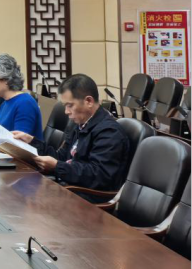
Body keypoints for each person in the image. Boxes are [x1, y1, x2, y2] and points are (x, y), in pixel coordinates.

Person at [12, 74, 130, 202]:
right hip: (69, 188)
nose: (66, 111)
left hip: (88, 199)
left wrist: (57, 167)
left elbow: (99, 176)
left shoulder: (109, 132)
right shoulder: (81, 124)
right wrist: (31, 142)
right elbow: (61, 157)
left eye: (70, 105)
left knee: (23, 198)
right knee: (17, 190)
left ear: (89, 101)